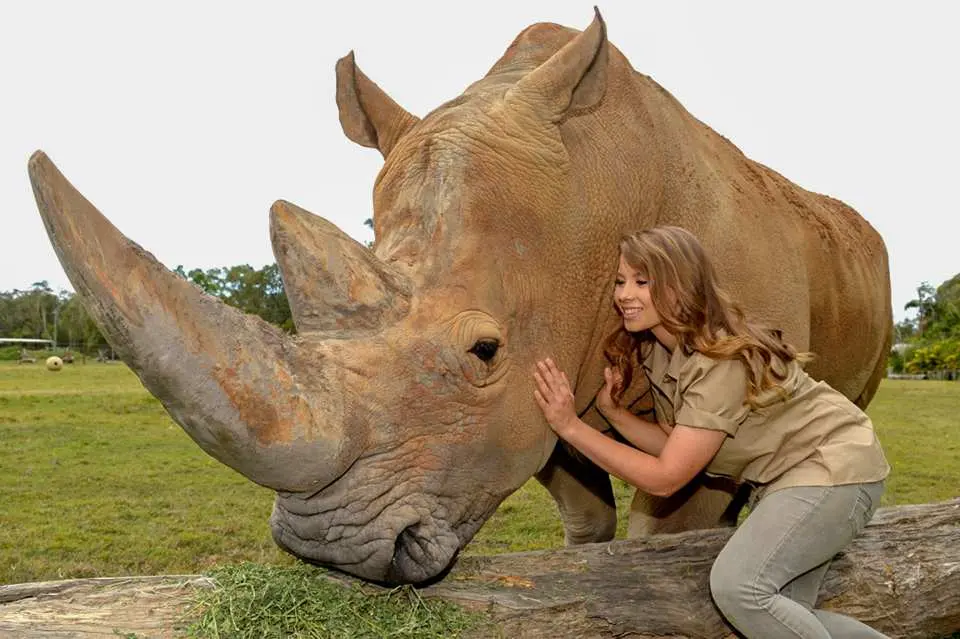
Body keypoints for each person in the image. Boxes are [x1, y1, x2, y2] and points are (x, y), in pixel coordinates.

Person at [533, 226, 890, 638]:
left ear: (679, 286)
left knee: (740, 589)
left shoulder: (718, 360)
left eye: (642, 282)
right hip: (795, 478)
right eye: (620, 281)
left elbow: (666, 478)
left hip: (835, 470)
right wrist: (614, 415)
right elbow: (676, 447)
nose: (624, 295)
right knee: (785, 612)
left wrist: (570, 427)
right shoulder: (662, 350)